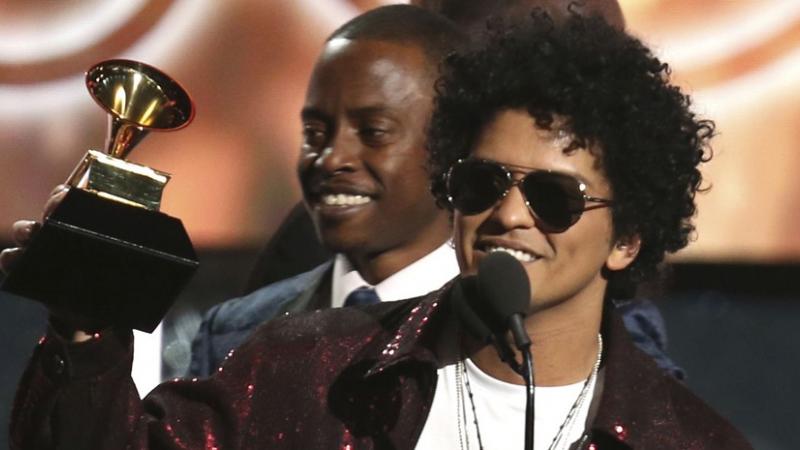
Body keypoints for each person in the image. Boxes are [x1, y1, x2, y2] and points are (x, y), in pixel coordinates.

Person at [10, 12, 752, 449]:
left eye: (555, 197)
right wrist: (84, 329)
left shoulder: (682, 438)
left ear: (627, 238)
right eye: (482, 183)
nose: (508, 214)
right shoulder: (308, 370)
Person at [189, 2, 680, 379]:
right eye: (314, 133)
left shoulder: (606, 349)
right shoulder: (257, 317)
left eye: (555, 197)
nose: (513, 214)